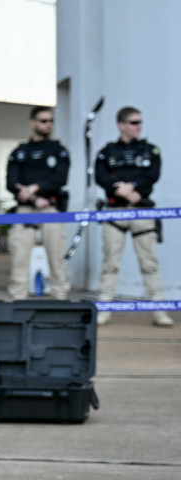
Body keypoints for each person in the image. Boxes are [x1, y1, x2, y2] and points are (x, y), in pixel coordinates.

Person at [95, 107, 170, 326]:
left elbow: (152, 175)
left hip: (142, 210)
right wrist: (119, 188)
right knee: (110, 263)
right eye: (134, 122)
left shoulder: (150, 150)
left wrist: (133, 187)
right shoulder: (107, 151)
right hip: (115, 211)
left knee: (150, 264)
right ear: (121, 125)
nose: (139, 126)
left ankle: (159, 310)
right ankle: (105, 309)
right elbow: (101, 176)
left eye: (140, 122)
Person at [5, 107, 71, 302]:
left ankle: (60, 297)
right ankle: (17, 299)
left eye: (50, 121)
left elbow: (59, 179)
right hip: (25, 209)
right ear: (33, 122)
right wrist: (33, 198)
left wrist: (34, 188)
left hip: (50, 208)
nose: (48, 125)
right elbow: (11, 183)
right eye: (43, 121)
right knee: (19, 257)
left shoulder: (58, 150)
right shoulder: (20, 152)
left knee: (56, 257)